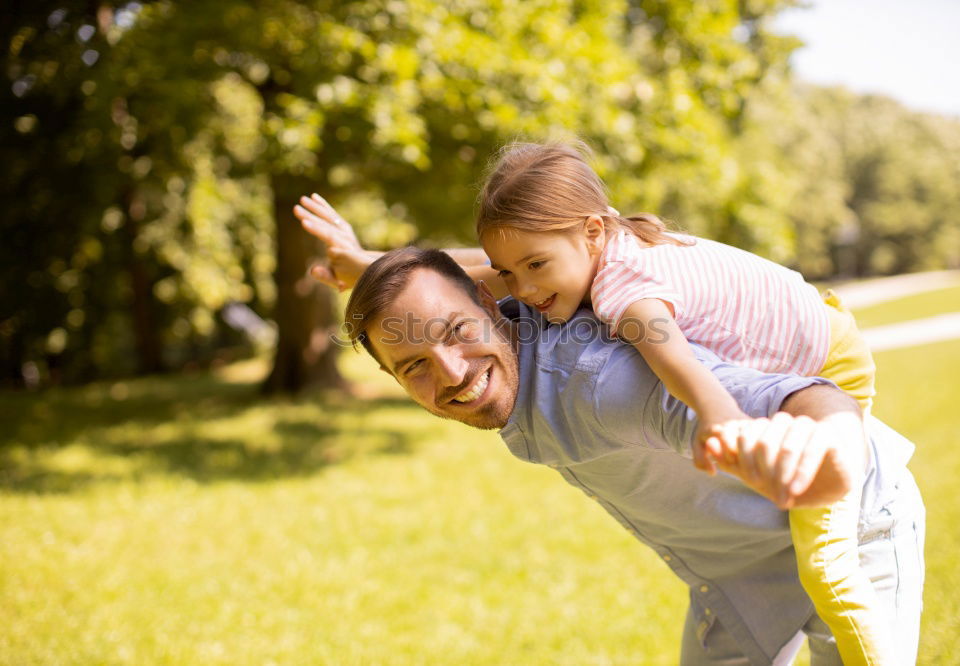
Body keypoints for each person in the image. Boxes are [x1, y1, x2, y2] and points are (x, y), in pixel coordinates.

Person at [295, 204, 924, 663]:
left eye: (458, 334)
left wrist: (825, 455)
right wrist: (367, 265)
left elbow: (810, 398)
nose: (453, 375)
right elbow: (460, 279)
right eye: (415, 367)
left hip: (852, 527)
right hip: (737, 576)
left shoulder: (601, 380)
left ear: (491, 306)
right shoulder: (521, 310)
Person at [471, 141, 889, 664]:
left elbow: (676, 362)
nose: (523, 288)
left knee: (827, 566)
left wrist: (721, 418)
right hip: (820, 320)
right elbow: (490, 262)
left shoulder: (624, 290)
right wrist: (372, 267)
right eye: (508, 273)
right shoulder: (614, 238)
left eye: (535, 265)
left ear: (593, 231)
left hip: (827, 366)